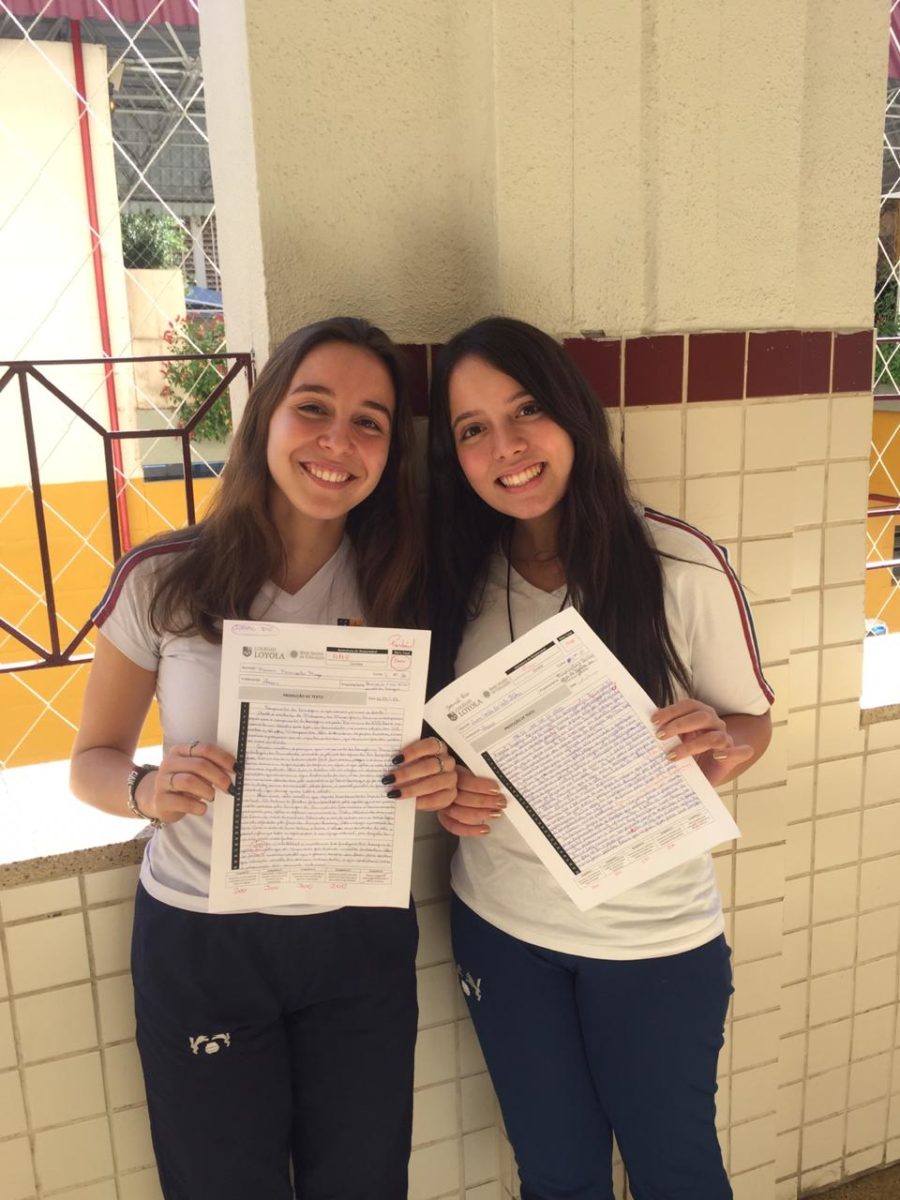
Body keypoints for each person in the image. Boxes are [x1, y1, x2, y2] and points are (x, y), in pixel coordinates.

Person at [70, 317, 457, 1200]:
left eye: (369, 422)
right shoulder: (165, 576)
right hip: (203, 938)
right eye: (312, 408)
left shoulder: (410, 582)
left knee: (363, 1185)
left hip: (358, 933)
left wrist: (442, 773)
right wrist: (145, 789)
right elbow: (91, 760)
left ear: (391, 450)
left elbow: (448, 751)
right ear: (265, 419)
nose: (337, 441)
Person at [426, 316, 773, 1200]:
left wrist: (719, 745)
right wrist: (446, 792)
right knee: (555, 1177)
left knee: (676, 1173)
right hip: (503, 929)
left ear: (574, 411)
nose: (507, 448)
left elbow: (751, 722)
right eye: (472, 429)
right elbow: (435, 744)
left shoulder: (678, 562)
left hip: (653, 938)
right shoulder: (453, 577)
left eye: (527, 410)